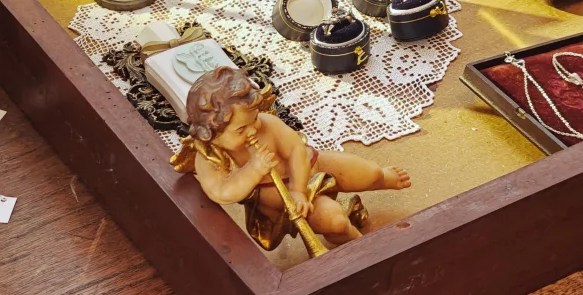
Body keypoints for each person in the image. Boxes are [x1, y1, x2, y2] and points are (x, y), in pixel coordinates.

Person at [171, 67, 410, 250]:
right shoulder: (210, 157)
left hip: (309, 167)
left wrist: (298, 188)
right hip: (282, 200)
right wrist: (253, 170)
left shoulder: (268, 125)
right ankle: (353, 242)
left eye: (254, 120)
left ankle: (383, 178)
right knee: (333, 220)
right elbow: (221, 192)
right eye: (240, 130)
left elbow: (296, 150)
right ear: (211, 133)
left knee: (366, 172)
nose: (252, 130)